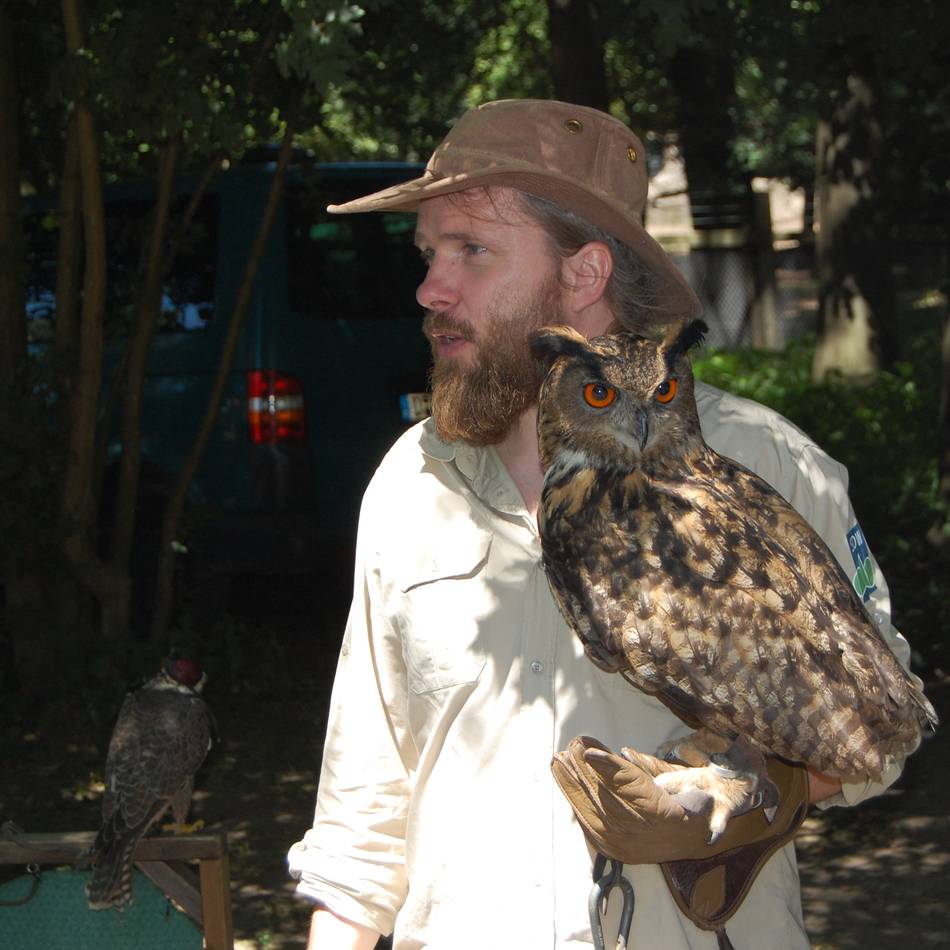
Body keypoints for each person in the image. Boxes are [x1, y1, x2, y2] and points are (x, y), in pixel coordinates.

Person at [287, 99, 914, 949]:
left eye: (471, 250)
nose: (431, 288)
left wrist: (774, 784)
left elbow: (879, 727)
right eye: (429, 253)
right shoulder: (413, 482)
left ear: (583, 275)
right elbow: (362, 823)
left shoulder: (769, 464)